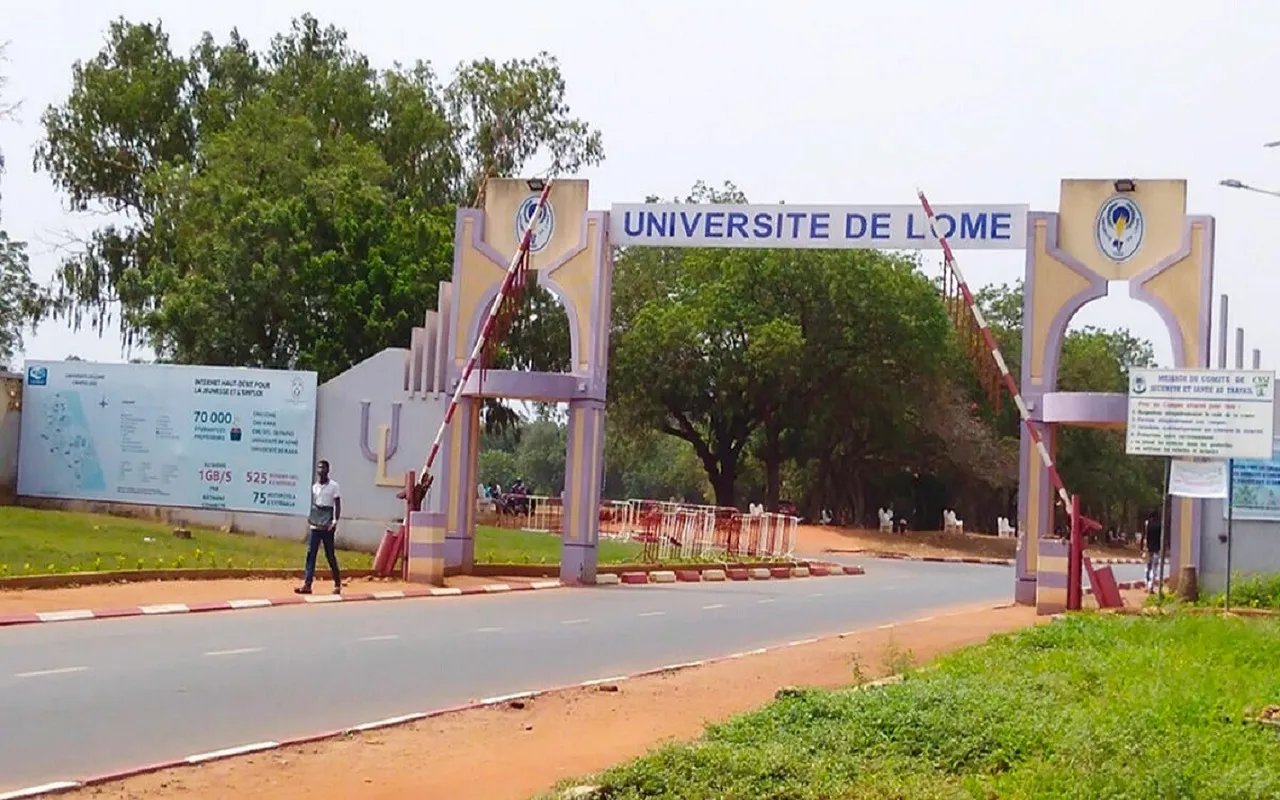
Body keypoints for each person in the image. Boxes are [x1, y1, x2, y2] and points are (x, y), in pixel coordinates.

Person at [297, 459, 342, 595]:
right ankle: (307, 584)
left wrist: (334, 521)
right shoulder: (315, 487)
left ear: (328, 470)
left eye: (323, 468)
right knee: (311, 554)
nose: (321, 470)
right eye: (319, 468)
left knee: (330, 555)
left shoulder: (334, 486)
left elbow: (337, 505)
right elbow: (316, 504)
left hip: (327, 523)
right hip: (316, 523)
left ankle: (337, 583)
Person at [1143, 509, 1163, 593]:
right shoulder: (1160, 525)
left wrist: (1143, 547)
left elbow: (1145, 536)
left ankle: (1146, 585)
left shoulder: (1147, 524)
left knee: (1148, 567)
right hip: (1157, 549)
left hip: (1148, 548)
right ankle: (1151, 587)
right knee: (1154, 568)